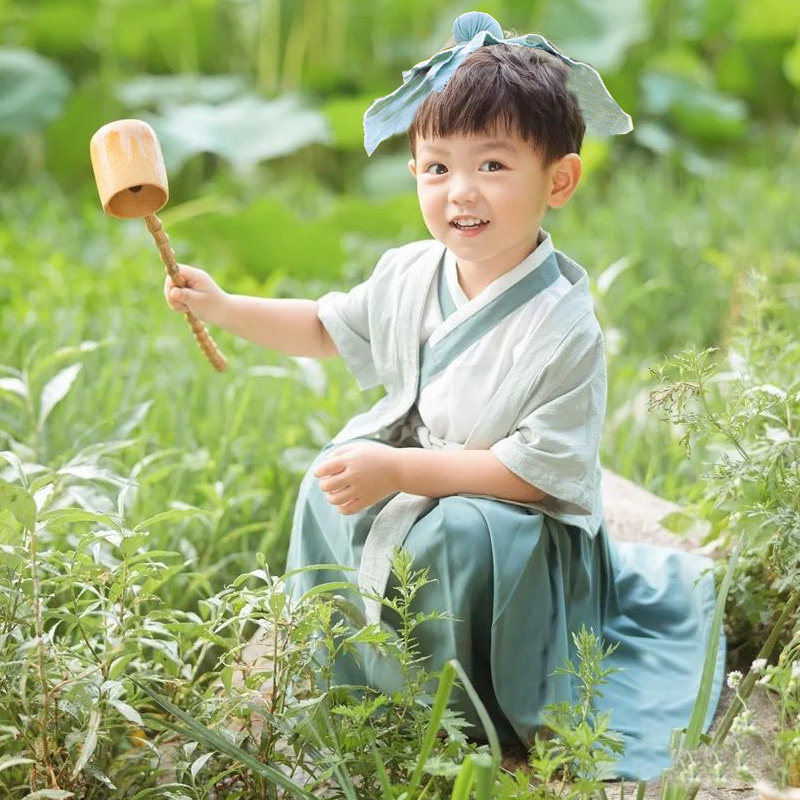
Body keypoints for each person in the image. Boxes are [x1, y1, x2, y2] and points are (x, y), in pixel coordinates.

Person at [163, 12, 726, 781]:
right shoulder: (408, 273)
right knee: (329, 483)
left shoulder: (563, 328)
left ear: (558, 180)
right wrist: (224, 307)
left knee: (454, 538)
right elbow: (327, 328)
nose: (460, 192)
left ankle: (472, 712)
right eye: (436, 168)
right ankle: (359, 680)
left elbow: (535, 475)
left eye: (492, 166)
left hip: (512, 520)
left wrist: (401, 474)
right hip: (423, 469)